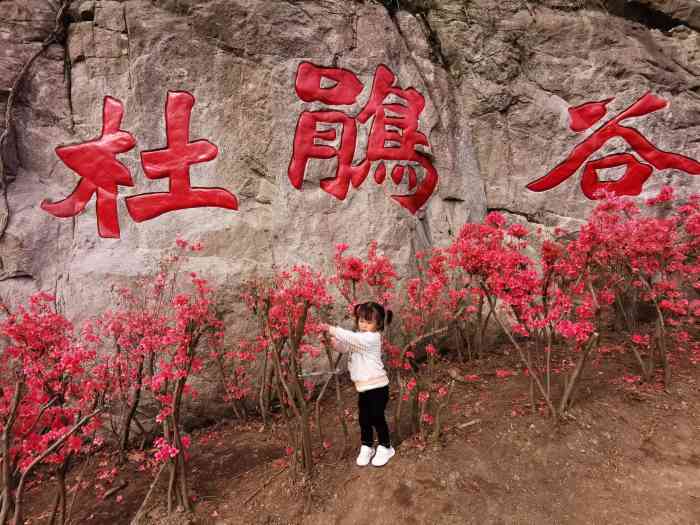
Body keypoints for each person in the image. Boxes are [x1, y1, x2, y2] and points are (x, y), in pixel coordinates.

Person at [321, 302, 395, 467]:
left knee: (377, 417)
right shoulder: (360, 338)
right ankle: (367, 445)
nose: (363, 325)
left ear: (379, 324)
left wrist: (330, 328)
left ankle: (385, 446)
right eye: (361, 321)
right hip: (363, 388)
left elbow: (352, 339)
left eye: (369, 322)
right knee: (364, 419)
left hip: (378, 387)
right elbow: (345, 347)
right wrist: (331, 342)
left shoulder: (372, 338)